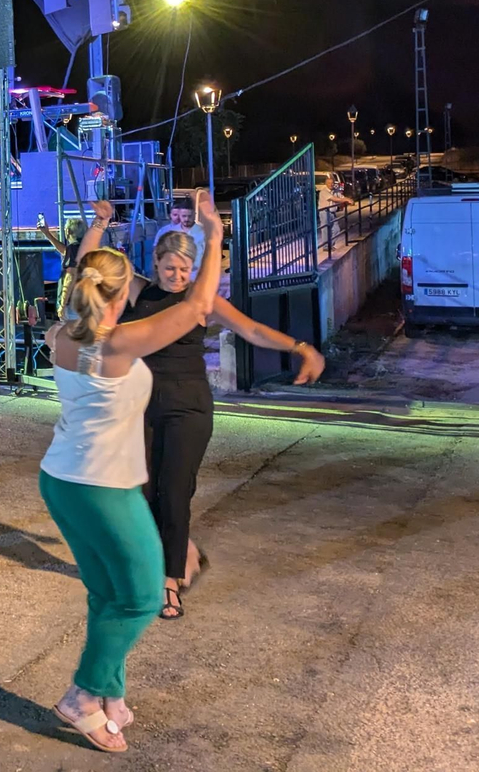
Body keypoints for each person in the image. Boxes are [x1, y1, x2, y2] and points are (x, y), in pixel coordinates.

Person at [81, 199, 326, 621]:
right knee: (139, 493)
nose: (177, 277)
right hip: (138, 406)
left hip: (188, 406)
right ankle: (183, 553)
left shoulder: (201, 300)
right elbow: (91, 265)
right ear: (155, 264)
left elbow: (250, 329)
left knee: (174, 491)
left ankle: (170, 581)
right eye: (170, 268)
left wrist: (300, 348)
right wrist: (100, 224)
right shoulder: (138, 291)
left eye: (185, 270)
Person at [40, 189, 223, 753]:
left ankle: (110, 694)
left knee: (106, 594)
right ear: (123, 294)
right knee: (144, 596)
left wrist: (95, 233)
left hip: (62, 479)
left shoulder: (60, 338)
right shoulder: (118, 346)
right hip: (104, 487)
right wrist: (212, 235)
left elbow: (83, 280)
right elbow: (197, 308)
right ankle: (81, 694)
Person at [36, 214, 90, 320]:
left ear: (68, 232)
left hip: (74, 304)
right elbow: (64, 250)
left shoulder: (73, 249)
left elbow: (70, 278)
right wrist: (47, 233)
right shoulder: (84, 248)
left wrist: (63, 304)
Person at [153, 198, 206, 276]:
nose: (187, 219)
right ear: (180, 215)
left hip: (197, 275)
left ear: (195, 215)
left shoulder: (203, 232)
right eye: (184, 216)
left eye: (189, 216)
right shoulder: (169, 232)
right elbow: (156, 251)